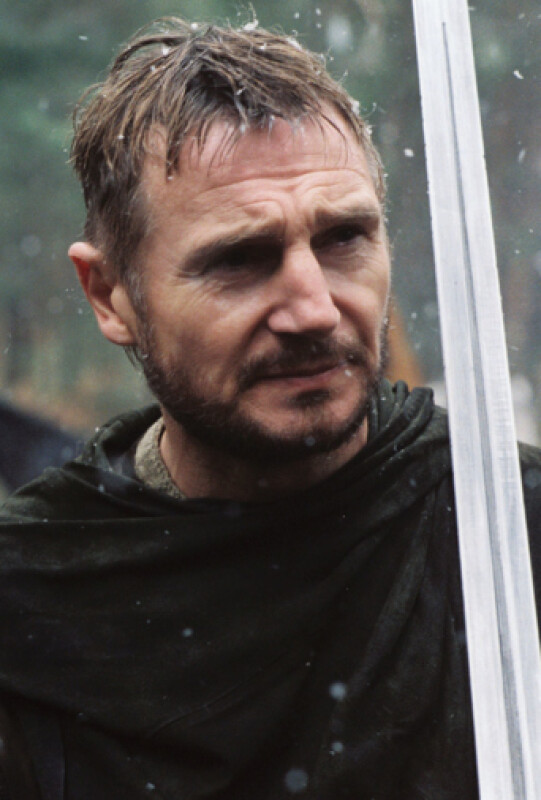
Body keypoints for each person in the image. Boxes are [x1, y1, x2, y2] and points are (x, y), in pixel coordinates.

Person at [0, 17, 539, 800]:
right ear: (110, 295)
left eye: (343, 239)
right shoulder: (34, 599)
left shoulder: (506, 532)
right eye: (240, 259)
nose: (314, 309)